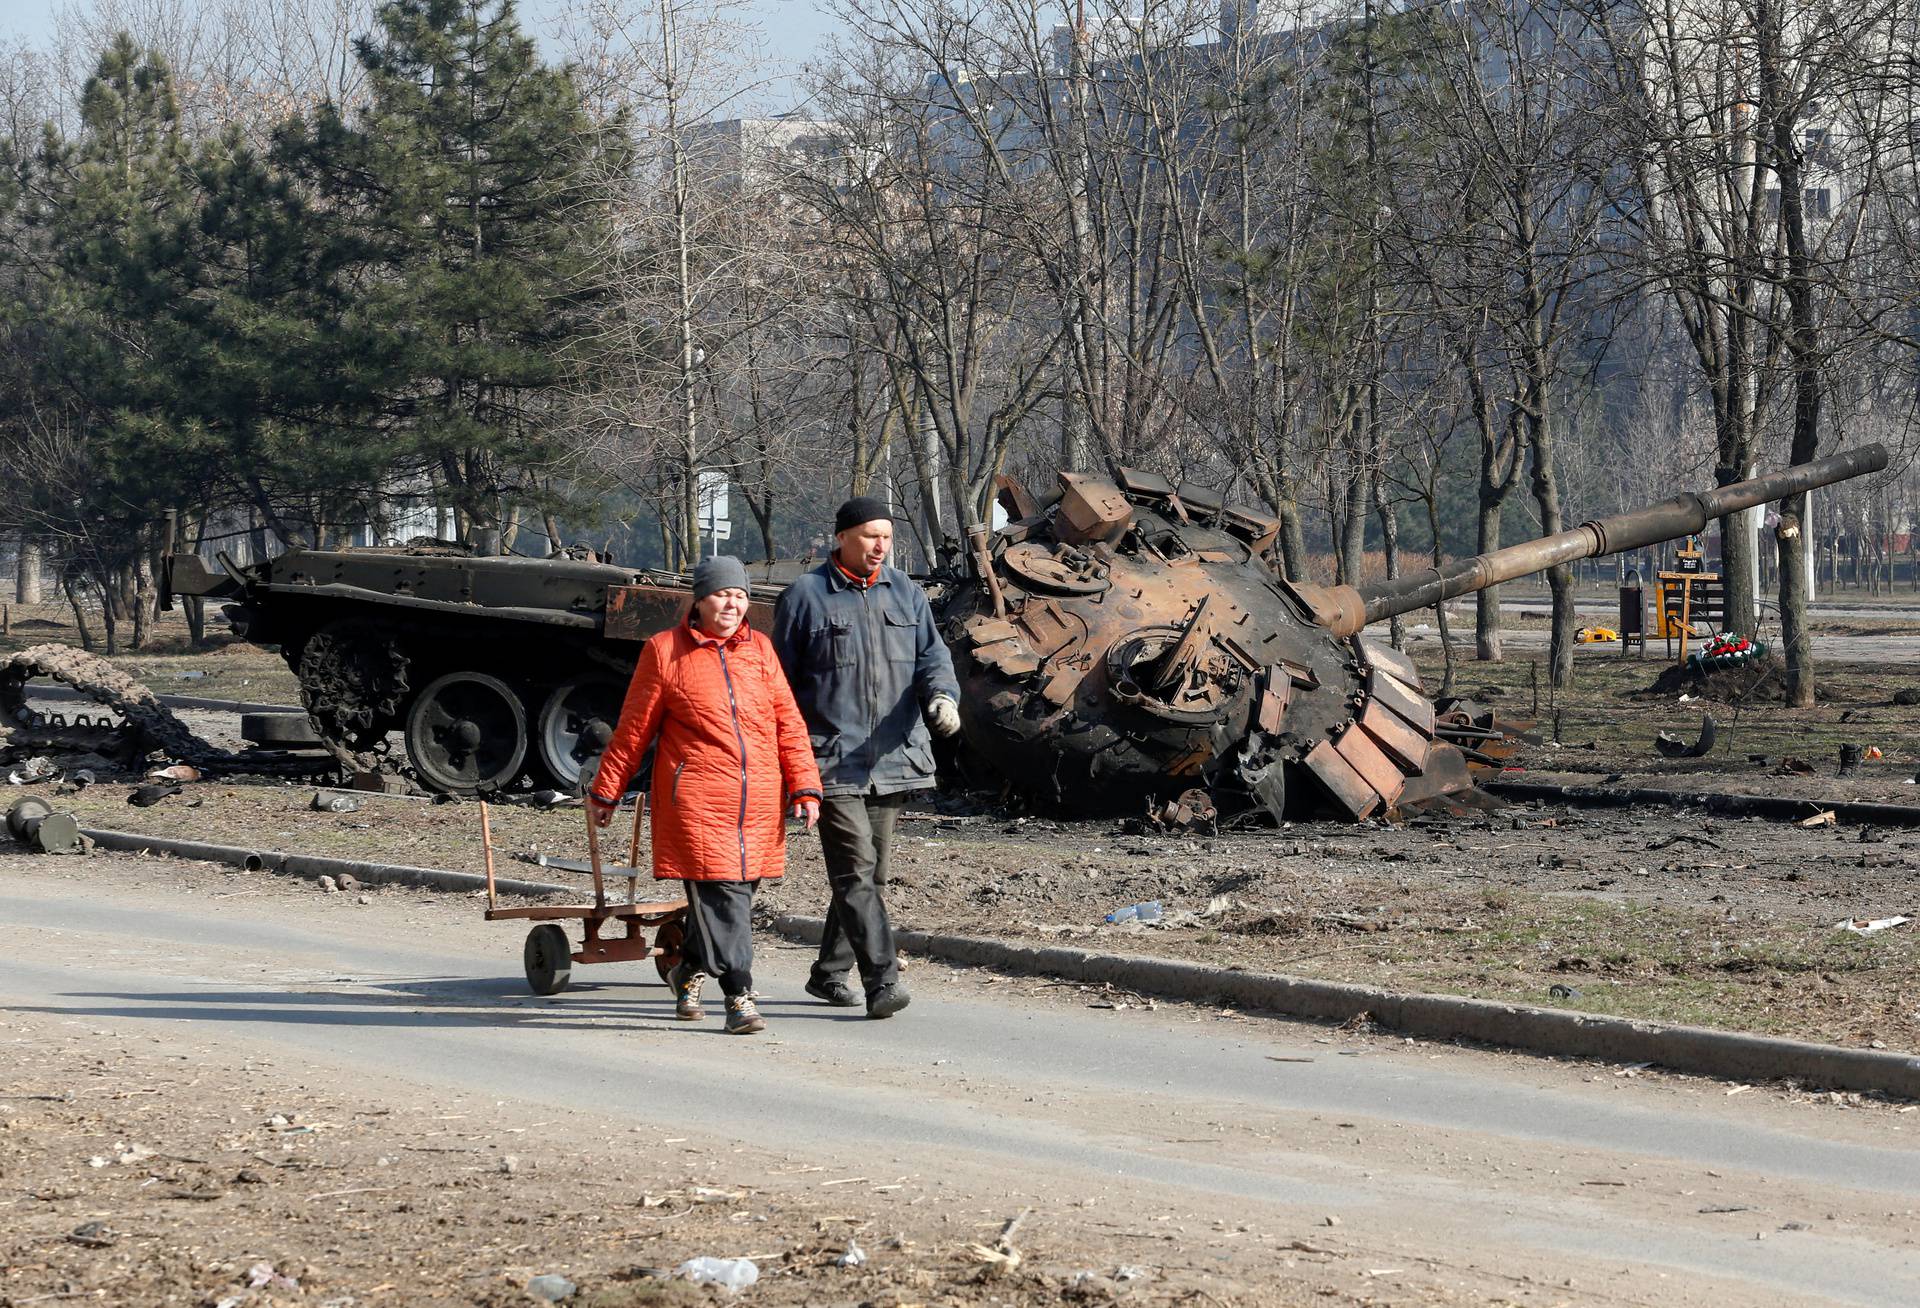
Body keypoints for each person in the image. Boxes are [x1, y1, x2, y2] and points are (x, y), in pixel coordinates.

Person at [588, 555, 822, 1036]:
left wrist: (804, 784)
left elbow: (788, 723)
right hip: (694, 802)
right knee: (725, 901)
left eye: (739, 594)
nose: (733, 603)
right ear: (699, 599)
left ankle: (686, 970)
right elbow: (634, 730)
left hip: (757, 802)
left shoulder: (760, 649)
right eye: (722, 594)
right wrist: (606, 791)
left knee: (730, 900)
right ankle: (740, 995)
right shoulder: (664, 651)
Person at [772, 496, 961, 1019]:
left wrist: (943, 697)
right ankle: (882, 981)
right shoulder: (806, 596)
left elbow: (933, 658)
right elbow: (779, 686)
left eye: (887, 537)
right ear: (842, 538)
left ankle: (828, 973)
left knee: (869, 876)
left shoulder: (906, 594)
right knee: (856, 872)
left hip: (891, 757)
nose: (881, 546)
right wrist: (786, 762)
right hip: (829, 760)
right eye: (870, 536)